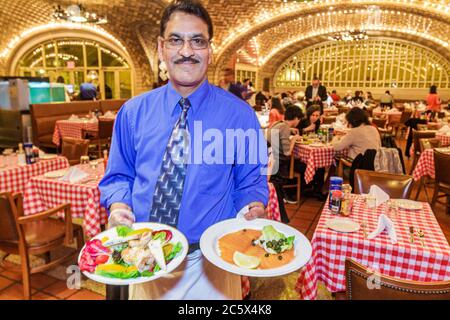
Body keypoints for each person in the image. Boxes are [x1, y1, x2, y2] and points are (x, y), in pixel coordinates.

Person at [99, 0, 268, 300]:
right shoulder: (132, 112)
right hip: (146, 257)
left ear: (210, 50)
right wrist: (118, 206)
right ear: (162, 47)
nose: (187, 51)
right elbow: (118, 176)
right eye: (176, 40)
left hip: (211, 263)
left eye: (198, 41)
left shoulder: (240, 116)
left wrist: (253, 204)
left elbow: (250, 182)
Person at [266, 106, 303, 216]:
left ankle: (285, 194)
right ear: (296, 118)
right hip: (278, 165)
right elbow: (287, 152)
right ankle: (287, 195)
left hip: (270, 161)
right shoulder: (285, 127)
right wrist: (294, 139)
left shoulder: (278, 124)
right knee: (299, 164)